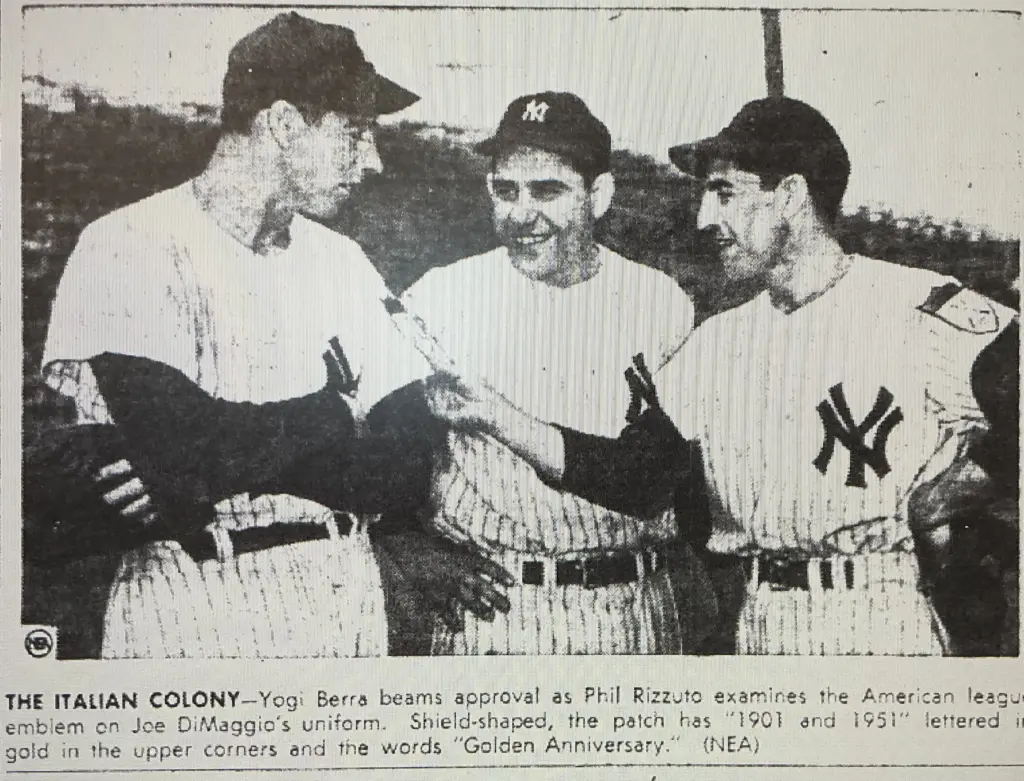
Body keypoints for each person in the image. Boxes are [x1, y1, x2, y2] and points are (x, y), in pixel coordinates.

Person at [36, 12, 509, 659]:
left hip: (345, 589)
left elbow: (402, 459)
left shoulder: (342, 258)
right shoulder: (130, 242)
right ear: (284, 124)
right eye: (354, 133)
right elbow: (183, 451)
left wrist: (211, 457)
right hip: (194, 597)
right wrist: (333, 413)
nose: (370, 161)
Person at [655, 96, 1016, 655]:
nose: (706, 218)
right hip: (759, 624)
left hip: (881, 614)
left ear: (792, 195)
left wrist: (951, 498)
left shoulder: (917, 308)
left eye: (724, 193)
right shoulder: (717, 339)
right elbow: (637, 474)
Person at [403, 92, 704, 655]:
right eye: (505, 190)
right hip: (500, 606)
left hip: (636, 604)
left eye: (548, 190)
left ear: (600, 194)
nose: (521, 213)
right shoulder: (441, 295)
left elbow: (670, 476)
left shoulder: (661, 302)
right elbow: (381, 456)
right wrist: (416, 552)